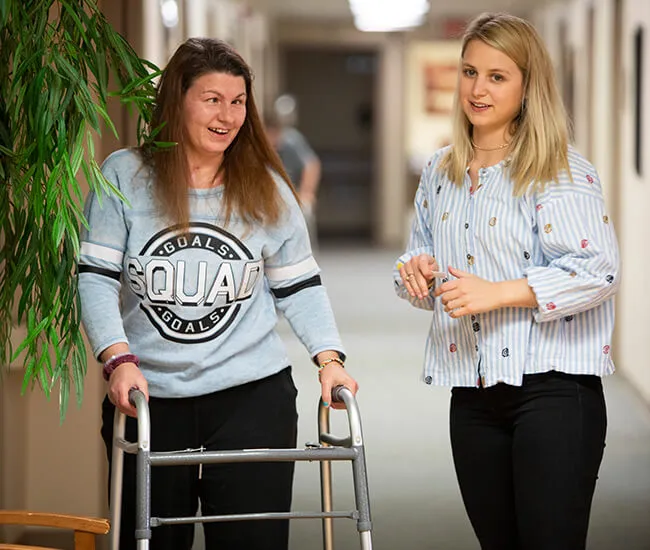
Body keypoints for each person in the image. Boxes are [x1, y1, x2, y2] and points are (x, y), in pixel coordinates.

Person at [77, 37, 358, 550]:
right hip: (150, 398)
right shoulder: (126, 176)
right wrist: (117, 359)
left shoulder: (266, 186)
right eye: (212, 99)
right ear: (177, 101)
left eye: (237, 102)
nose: (227, 115)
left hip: (252, 397)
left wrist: (330, 358)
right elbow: (95, 277)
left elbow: (299, 284)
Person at [394, 13, 619, 550]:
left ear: (527, 85)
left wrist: (499, 292)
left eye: (497, 76)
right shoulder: (441, 171)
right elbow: (423, 255)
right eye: (470, 72)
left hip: (553, 391)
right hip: (472, 394)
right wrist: (415, 274)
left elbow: (598, 270)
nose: (477, 88)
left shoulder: (560, 168)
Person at [264, 96, 322, 250]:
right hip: (267, 193)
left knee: (305, 213)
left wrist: (306, 192)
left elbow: (311, 165)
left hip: (291, 193)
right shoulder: (258, 146)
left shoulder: (291, 140)